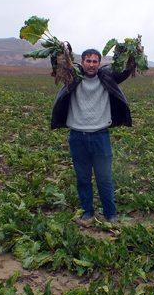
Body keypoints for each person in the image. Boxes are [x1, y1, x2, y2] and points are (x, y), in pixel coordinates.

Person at [50, 48, 134, 223]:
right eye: (88, 61)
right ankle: (87, 212)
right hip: (77, 137)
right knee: (83, 178)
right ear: (82, 62)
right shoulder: (72, 78)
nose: (91, 65)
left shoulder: (107, 77)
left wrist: (132, 53)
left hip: (100, 136)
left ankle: (110, 214)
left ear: (100, 63)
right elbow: (58, 66)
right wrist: (58, 52)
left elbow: (125, 70)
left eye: (95, 61)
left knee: (105, 178)